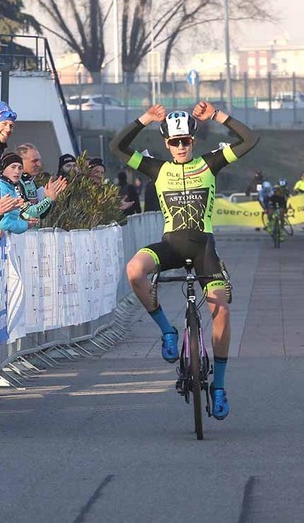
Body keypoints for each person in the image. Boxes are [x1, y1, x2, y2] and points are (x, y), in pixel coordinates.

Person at [110, 102, 259, 421]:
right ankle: (167, 331)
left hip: (204, 248)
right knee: (134, 270)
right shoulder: (156, 169)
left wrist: (218, 116)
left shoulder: (210, 164)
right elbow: (117, 146)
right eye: (174, 142)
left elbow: (250, 140)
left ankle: (218, 386)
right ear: (166, 144)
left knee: (220, 310)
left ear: (193, 140)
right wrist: (146, 119)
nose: (180, 147)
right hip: (171, 246)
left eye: (185, 141)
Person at [14, 143, 68, 222]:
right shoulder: (15, 182)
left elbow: (41, 215)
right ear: (20, 161)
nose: (39, 164)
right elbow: (27, 213)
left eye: (39, 160)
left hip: (34, 232)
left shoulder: (31, 181)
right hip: (19, 233)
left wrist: (48, 197)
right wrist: (48, 199)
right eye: (34, 161)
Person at [0, 153, 37, 234]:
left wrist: (23, 220)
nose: (17, 171)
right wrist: (26, 225)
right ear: (3, 169)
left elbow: (12, 218)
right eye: (13, 167)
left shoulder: (10, 188)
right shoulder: (1, 188)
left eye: (20, 168)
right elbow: (3, 224)